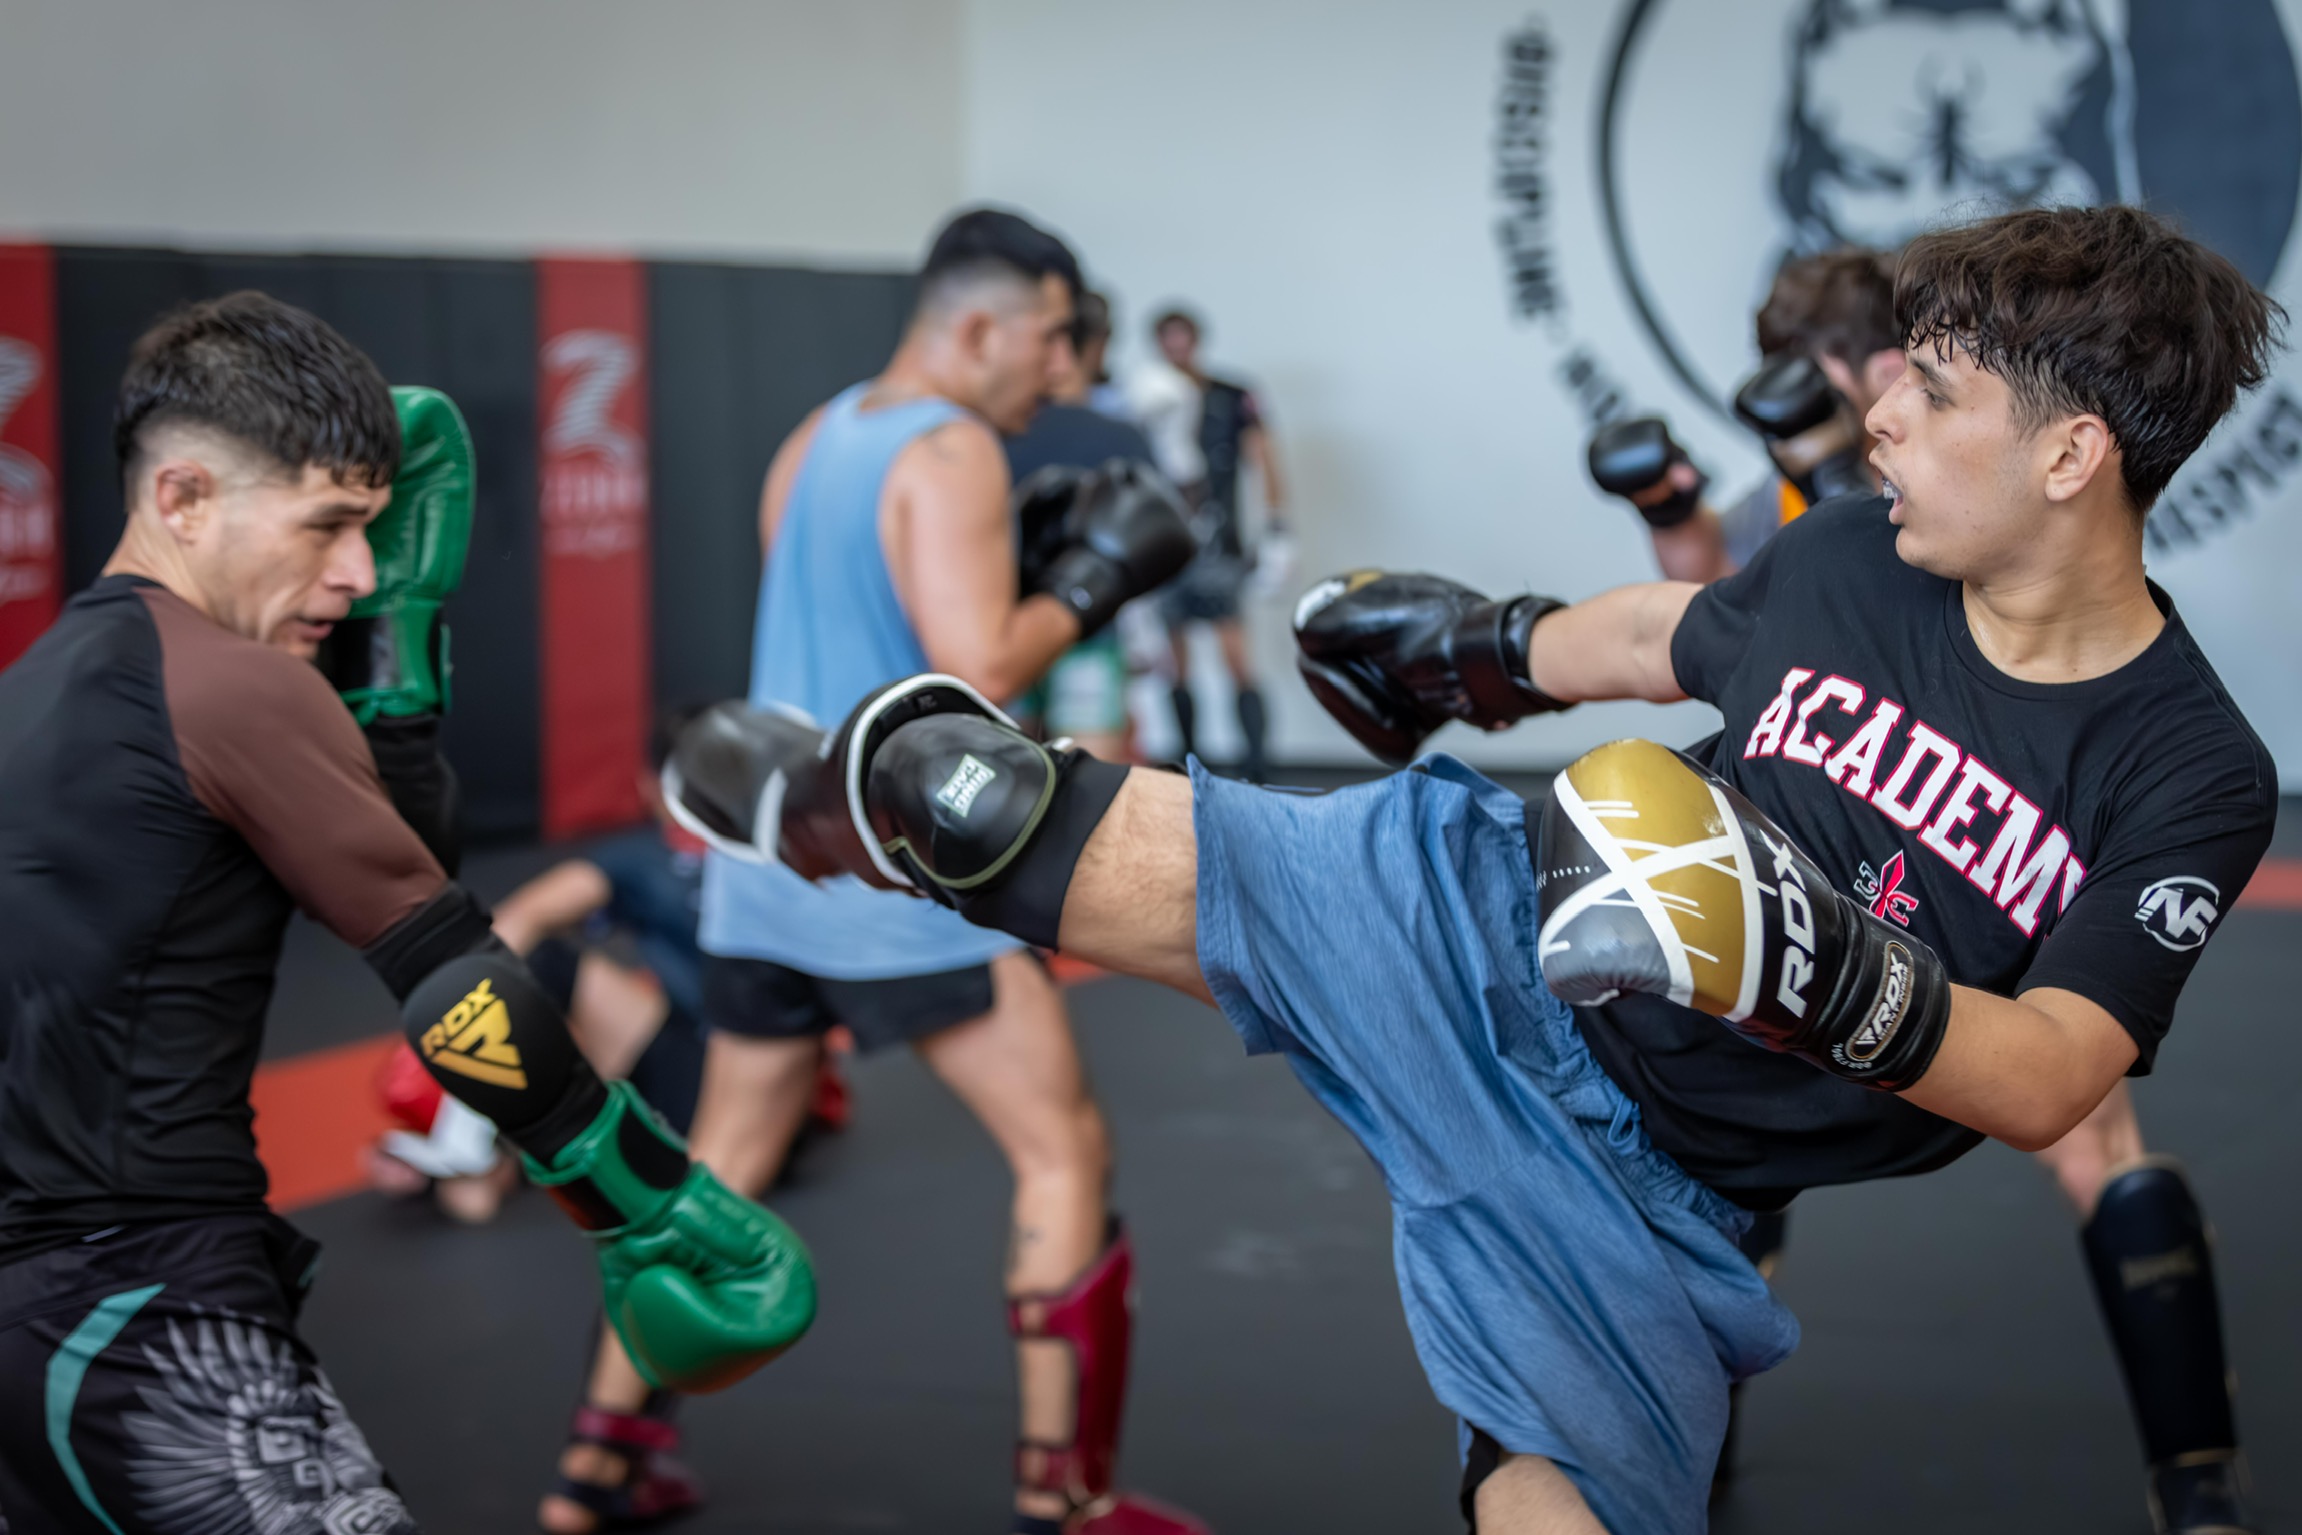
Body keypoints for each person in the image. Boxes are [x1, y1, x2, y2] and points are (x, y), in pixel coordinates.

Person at [669, 205, 2276, 1533]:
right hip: (1470, 920)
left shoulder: (2186, 770)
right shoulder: (1858, 549)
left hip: (1649, 1191)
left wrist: (1823, 972)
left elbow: (2058, 1070)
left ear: (2070, 455)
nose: (1881, 415)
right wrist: (1487, 649)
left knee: (1553, 1500)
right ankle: (819, 804)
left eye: (1934, 393)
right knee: (963, 794)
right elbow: (1671, 631)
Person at [0, 294, 814, 1534]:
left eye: (373, 531)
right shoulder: (232, 686)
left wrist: (395, 664)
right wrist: (650, 1203)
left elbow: (397, 851)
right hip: (140, 1306)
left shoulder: (43, 684)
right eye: (328, 525)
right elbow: (448, 970)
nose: (364, 573)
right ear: (183, 500)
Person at [553, 210, 1202, 1535]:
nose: (1062, 373)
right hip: (890, 863)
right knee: (1059, 1144)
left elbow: (837, 619)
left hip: (762, 856)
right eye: (1051, 338)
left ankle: (597, 1463)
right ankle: (1065, 1496)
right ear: (979, 324)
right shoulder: (952, 448)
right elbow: (978, 665)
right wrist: (1087, 580)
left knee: (722, 1158)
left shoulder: (820, 430)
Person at [1595, 242, 2261, 1515]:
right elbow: (1707, 618)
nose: (1881, 411)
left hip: (1970, 850)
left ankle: (2199, 1482)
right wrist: (1665, 506)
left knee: (2080, 1113)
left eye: (1910, 381)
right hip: (1828, 833)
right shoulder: (1847, 511)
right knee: (1746, 1107)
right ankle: (2196, 1485)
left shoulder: (1949, 475)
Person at [1590, 248, 1904, 584]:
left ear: (1891, 373)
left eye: (1809, 381)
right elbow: (1714, 575)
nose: (1793, 407)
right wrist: (1670, 513)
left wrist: (1848, 497)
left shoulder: (1946, 468)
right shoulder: (1796, 488)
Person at [1007, 291, 1162, 760]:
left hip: (1005, 626)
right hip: (1087, 627)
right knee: (1091, 787)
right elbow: (1154, 539)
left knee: (1001, 774)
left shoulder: (987, 433)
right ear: (1093, 346)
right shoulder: (1119, 437)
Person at [1143, 308, 1290, 782]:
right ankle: (1187, 764)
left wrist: (1278, 528)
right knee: (1174, 661)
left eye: (1183, 341)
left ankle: (1257, 767)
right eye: (1169, 343)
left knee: (1235, 656)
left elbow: (1263, 458)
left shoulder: (1232, 397)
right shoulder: (1148, 401)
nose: (1177, 351)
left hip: (1219, 544)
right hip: (1164, 545)